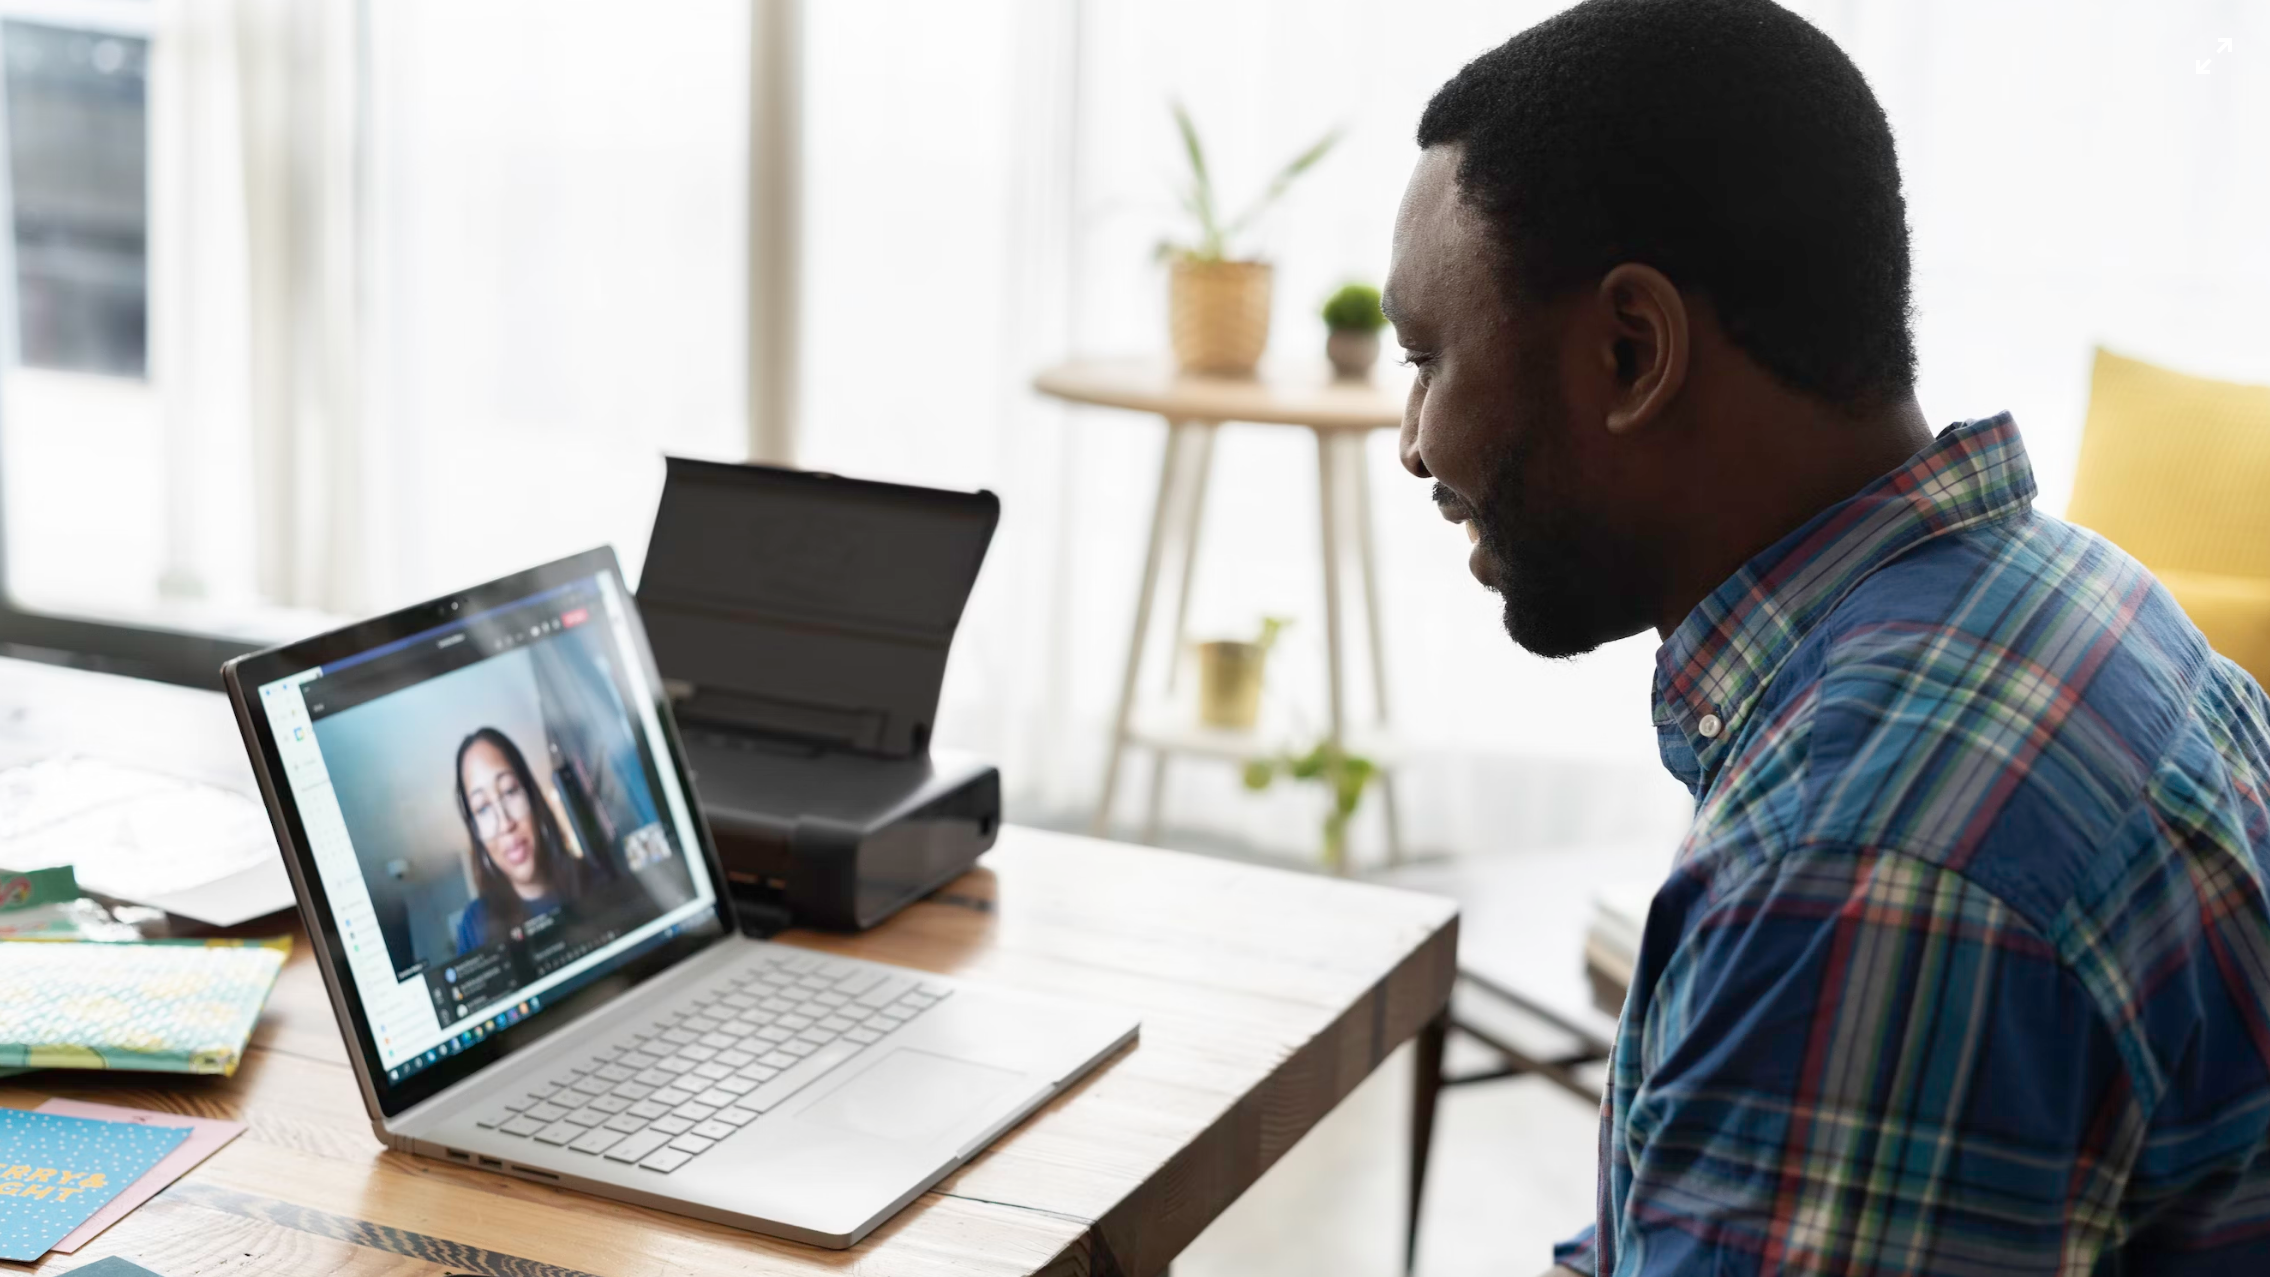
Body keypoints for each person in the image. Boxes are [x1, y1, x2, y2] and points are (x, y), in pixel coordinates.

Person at [1384, 1, 2270, 1273]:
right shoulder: (2069, 597)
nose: (1413, 438)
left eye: (1427, 357)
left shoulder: (1860, 858)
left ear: (1632, 352)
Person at [451, 726, 603, 954]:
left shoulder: (595, 877)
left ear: (532, 797)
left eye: (510, 791)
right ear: (476, 833)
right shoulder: (475, 925)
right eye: (482, 808)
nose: (505, 823)